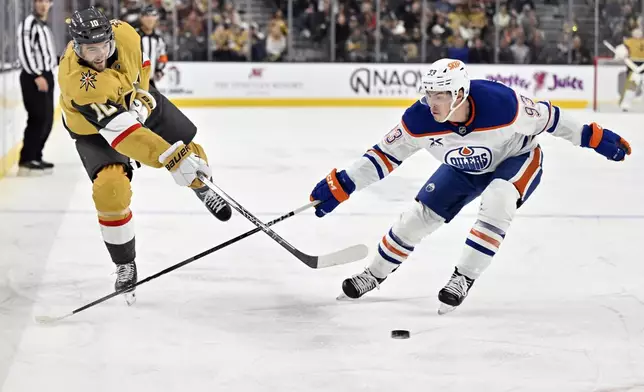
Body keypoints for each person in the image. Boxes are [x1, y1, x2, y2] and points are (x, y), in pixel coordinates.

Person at [309, 58, 632, 314]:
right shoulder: (419, 119)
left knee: (499, 199)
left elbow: (552, 119)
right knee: (416, 219)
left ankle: (462, 277)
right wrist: (344, 184)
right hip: (463, 167)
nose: (431, 102)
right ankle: (374, 274)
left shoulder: (502, 104)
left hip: (516, 158)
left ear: (459, 94)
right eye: (428, 94)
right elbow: (384, 155)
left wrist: (593, 137)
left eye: (440, 95)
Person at [58, 7, 232, 305]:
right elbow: (124, 133)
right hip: (94, 128)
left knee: (189, 150)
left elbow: (141, 70)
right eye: (90, 50)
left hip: (132, 103)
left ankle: (202, 185)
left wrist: (141, 98)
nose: (100, 55)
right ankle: (124, 262)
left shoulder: (126, 34)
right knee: (111, 190)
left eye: (104, 46)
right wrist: (171, 158)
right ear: (77, 47)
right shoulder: (77, 81)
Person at [16, 0, 57, 175]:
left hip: (46, 75)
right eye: (39, 1)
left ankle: (36, 156)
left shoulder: (44, 26)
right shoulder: (29, 23)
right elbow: (24, 50)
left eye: (46, 1)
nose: (43, 5)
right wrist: (36, 74)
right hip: (34, 76)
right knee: (38, 117)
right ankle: (27, 159)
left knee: (47, 119)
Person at [136, 5, 167, 88]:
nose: (150, 19)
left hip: (150, 81)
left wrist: (159, 69)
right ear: (141, 18)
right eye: (146, 15)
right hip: (134, 81)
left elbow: (162, 56)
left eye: (153, 16)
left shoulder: (158, 39)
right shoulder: (134, 36)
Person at [614, 28, 644, 112]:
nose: (638, 35)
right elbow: (621, 52)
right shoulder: (628, 42)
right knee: (631, 87)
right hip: (632, 66)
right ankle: (625, 105)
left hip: (641, 65)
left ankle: (625, 104)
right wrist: (619, 53)